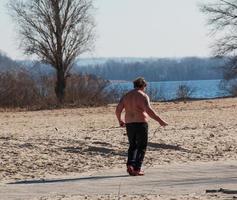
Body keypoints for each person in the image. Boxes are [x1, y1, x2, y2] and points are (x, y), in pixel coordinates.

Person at [115, 77, 168, 176]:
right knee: (141, 146)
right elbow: (149, 111)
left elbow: (118, 109)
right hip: (140, 123)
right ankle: (136, 168)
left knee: (132, 145)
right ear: (143, 85)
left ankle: (130, 164)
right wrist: (160, 121)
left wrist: (120, 120)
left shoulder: (126, 96)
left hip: (129, 123)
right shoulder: (143, 96)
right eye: (145, 86)